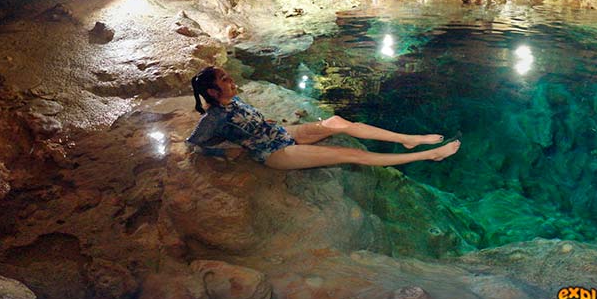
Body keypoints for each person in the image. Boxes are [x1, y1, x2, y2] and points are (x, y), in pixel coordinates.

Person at [186, 66, 460, 170]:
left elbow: (243, 122)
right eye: (225, 79)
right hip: (274, 152)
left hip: (280, 133)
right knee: (348, 154)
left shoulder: (232, 100)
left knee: (338, 121)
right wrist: (224, 151)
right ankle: (428, 155)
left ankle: (408, 139)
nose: (231, 80)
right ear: (212, 90)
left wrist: (264, 123)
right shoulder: (214, 117)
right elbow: (194, 143)